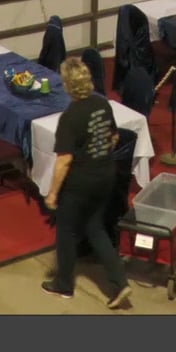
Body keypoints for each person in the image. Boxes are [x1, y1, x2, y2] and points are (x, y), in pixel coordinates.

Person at [42, 56, 133, 309]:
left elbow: (64, 161)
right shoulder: (102, 104)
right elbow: (114, 137)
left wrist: (52, 194)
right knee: (95, 228)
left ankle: (63, 285)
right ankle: (119, 282)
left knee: (66, 232)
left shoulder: (70, 118)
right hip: (105, 175)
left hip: (80, 183)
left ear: (68, 85)